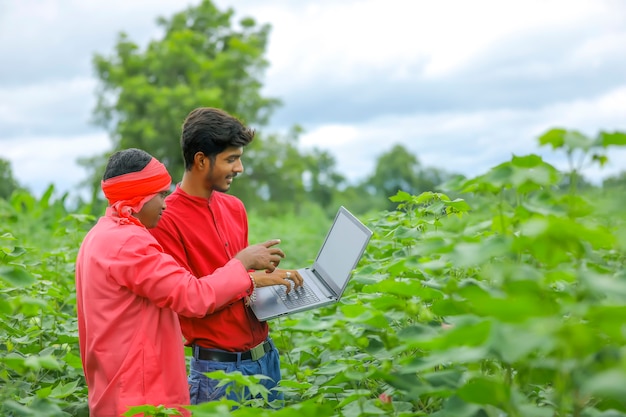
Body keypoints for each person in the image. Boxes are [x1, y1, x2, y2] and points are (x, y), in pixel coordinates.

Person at [75, 148, 289, 417]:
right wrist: (242, 263)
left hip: (116, 389)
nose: (165, 204)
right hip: (141, 398)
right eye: (161, 194)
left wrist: (249, 279)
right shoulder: (130, 243)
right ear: (139, 198)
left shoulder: (99, 235)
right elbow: (192, 296)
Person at [149, 107, 303, 406]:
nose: (240, 168)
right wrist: (246, 270)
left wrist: (265, 281)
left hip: (266, 359)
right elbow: (190, 301)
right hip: (217, 372)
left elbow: (237, 285)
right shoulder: (166, 219)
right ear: (201, 159)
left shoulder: (235, 208)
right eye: (231, 159)